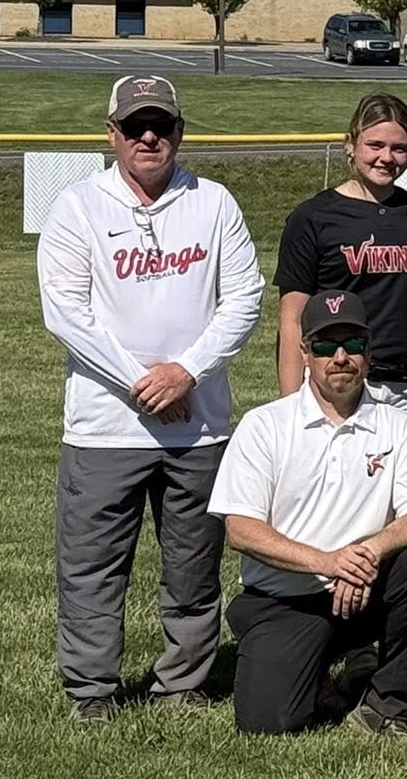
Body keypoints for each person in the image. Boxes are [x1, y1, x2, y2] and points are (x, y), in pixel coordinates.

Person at [37, 74, 264, 722]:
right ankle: (92, 691)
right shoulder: (78, 206)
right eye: (134, 125)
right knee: (91, 567)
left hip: (198, 425)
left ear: (179, 132)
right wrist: (148, 385)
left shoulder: (213, 203)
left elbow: (244, 298)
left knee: (194, 565)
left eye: (160, 125)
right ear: (111, 133)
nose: (147, 137)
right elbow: (66, 313)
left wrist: (186, 372)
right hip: (104, 427)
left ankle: (182, 683)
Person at [207, 291, 407, 736]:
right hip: (286, 599)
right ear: (304, 353)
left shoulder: (401, 425)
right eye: (324, 345)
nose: (340, 357)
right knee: (269, 723)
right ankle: (318, 676)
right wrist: (328, 562)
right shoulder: (265, 425)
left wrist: (365, 556)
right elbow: (240, 530)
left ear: (369, 352)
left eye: (353, 344)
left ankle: (385, 705)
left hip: (365, 589)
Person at [275, 93, 407, 413]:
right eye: (375, 145)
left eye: (399, 148)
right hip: (339, 376)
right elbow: (292, 320)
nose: (386, 157)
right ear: (350, 144)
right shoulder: (314, 216)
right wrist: (290, 407)